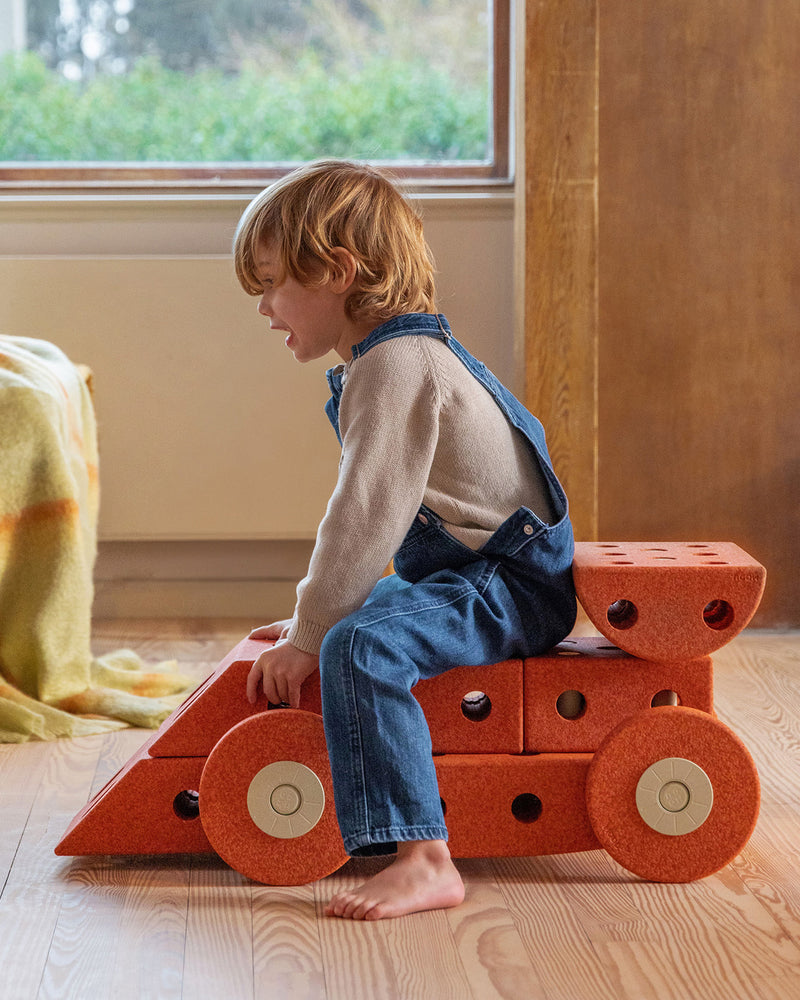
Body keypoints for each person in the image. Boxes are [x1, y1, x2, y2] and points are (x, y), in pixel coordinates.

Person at [234, 160, 576, 921]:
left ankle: (422, 857)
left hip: (508, 582)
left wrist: (319, 631)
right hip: (476, 569)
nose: (262, 306)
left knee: (357, 647)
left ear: (338, 271)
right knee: (340, 630)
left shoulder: (394, 365)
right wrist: (305, 626)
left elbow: (364, 516)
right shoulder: (398, 356)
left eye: (271, 282)